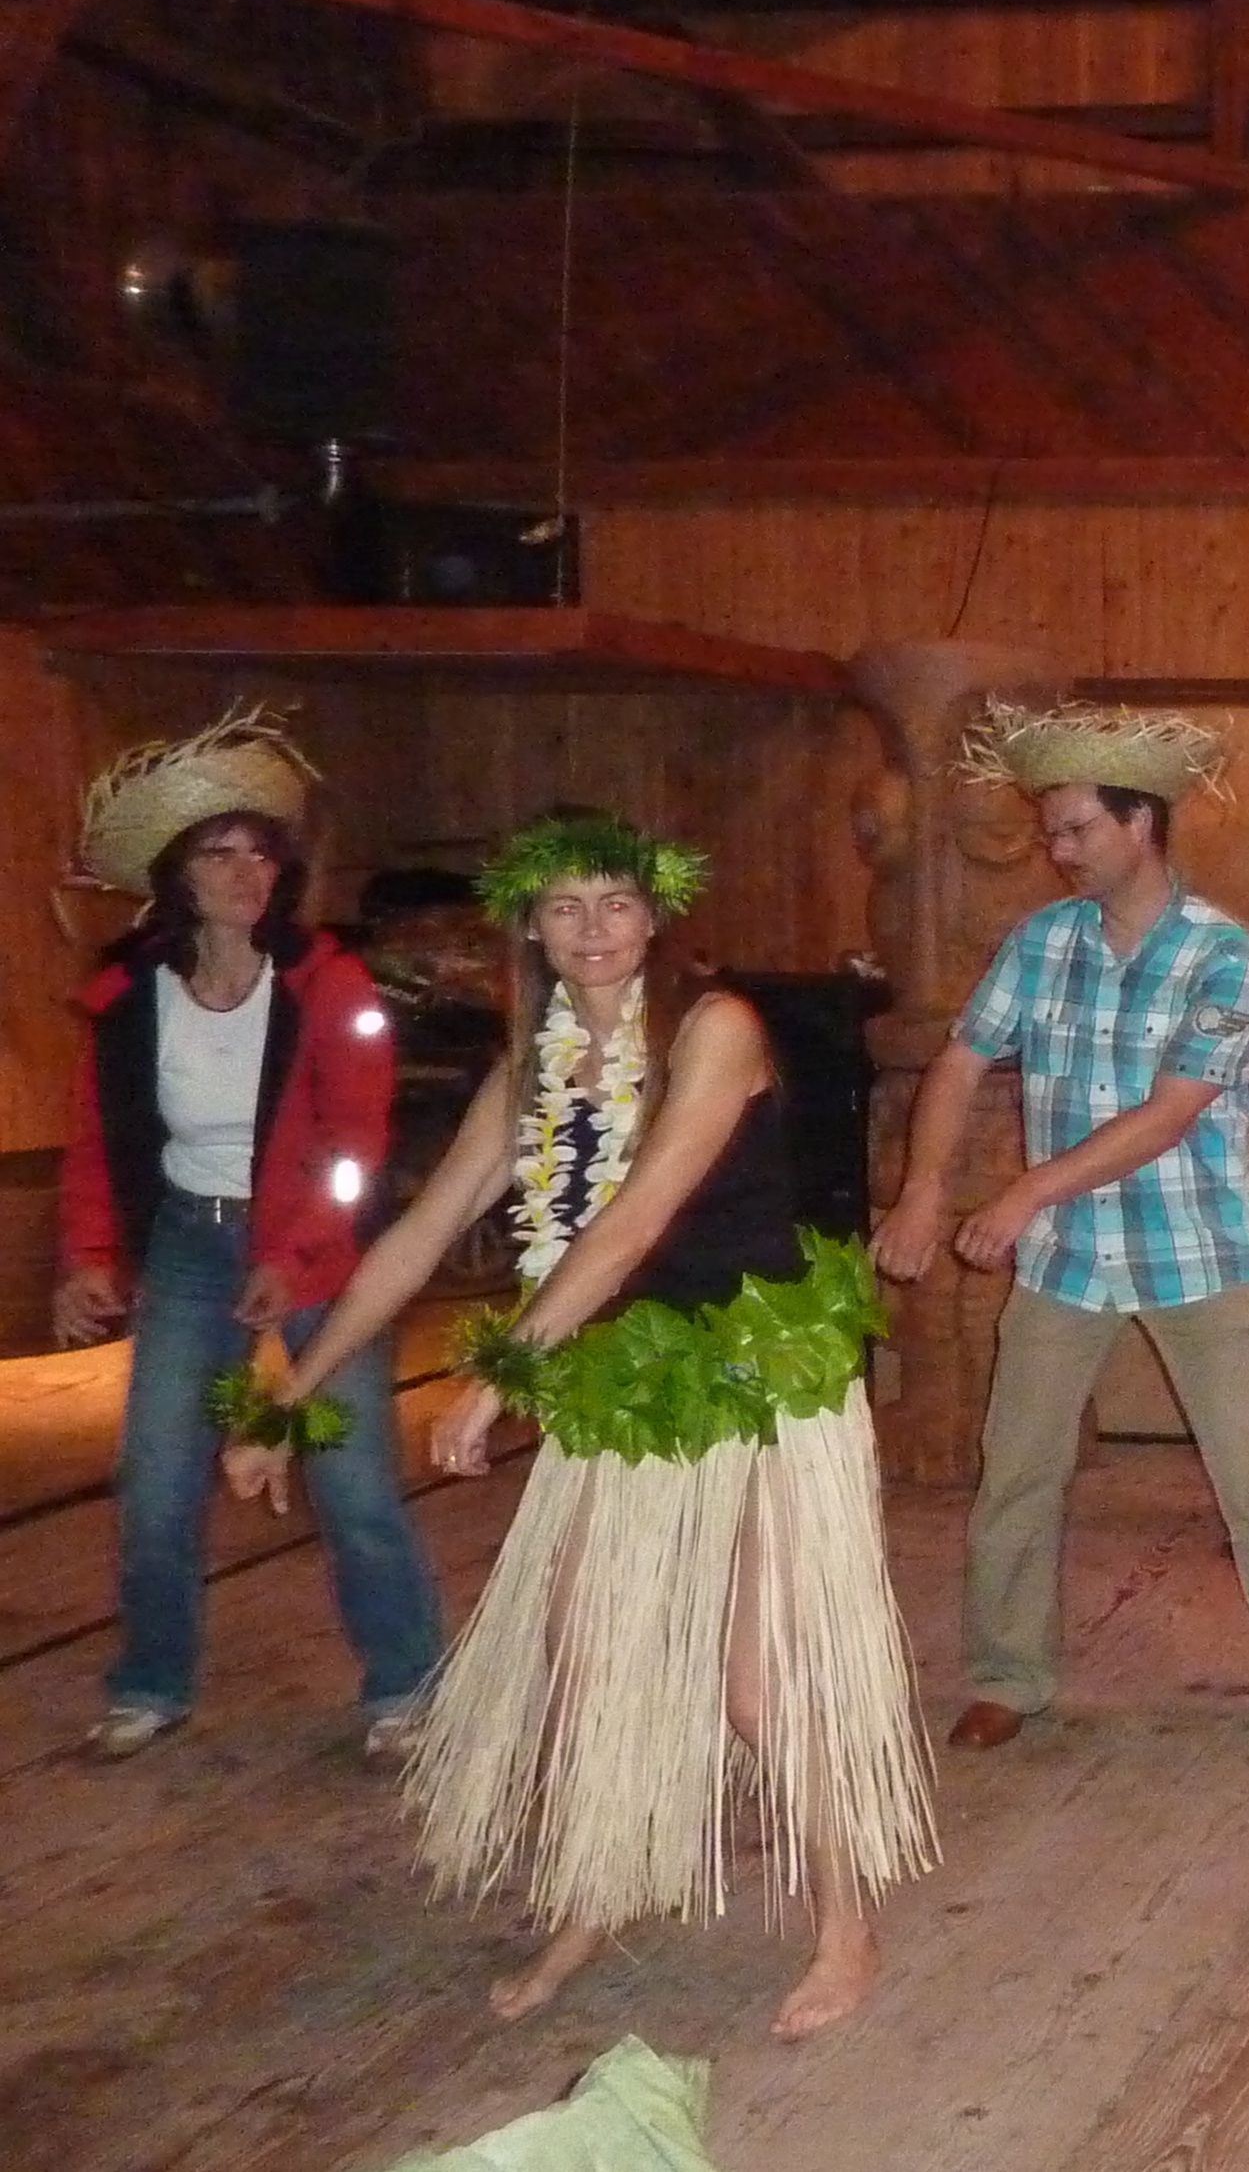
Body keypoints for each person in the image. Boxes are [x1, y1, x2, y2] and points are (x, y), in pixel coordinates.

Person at [251, 811, 933, 2040]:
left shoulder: (714, 1032)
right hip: (625, 1383)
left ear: (655, 915)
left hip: (756, 1372)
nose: (593, 929)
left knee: (758, 1688)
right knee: (584, 1654)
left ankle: (848, 1923)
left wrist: (501, 1373)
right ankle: (607, 1885)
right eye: (564, 907)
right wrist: (284, 1397)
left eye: (615, 902)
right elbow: (416, 1235)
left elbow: (633, 1220)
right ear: (530, 926)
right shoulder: (530, 1072)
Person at [877, 704, 1249, 1759]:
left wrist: (1024, 1192)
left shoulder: (1225, 955)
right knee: (1015, 1474)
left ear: (1140, 823)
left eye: (1076, 828)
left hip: (1196, 1252)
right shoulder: (1040, 941)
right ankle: (1008, 1674)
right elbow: (960, 1061)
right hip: (1066, 1261)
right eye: (1051, 829)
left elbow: (1173, 1111)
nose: (1057, 849)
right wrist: (922, 1189)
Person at [53, 708, 441, 1764]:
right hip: (189, 1242)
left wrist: (292, 1254)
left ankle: (406, 1686)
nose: (244, 873)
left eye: (260, 854)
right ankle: (151, 1682)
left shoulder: (330, 984)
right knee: (157, 1476)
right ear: (177, 875)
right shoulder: (129, 995)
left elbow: (357, 1144)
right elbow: (99, 1141)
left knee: (351, 1476)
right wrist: (88, 1257)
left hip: (321, 1251)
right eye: (219, 854)